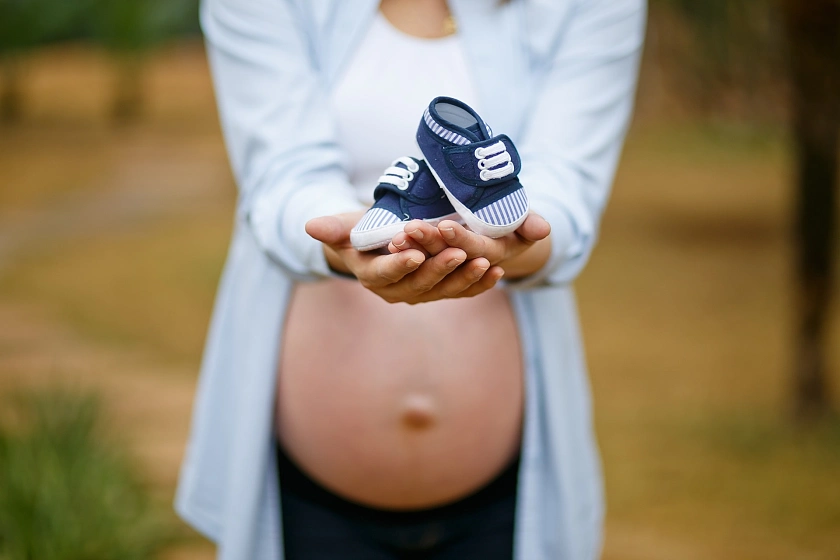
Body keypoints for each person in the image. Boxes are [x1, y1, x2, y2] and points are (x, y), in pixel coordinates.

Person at [175, 0, 646, 559]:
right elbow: (280, 175)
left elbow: (567, 188)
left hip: (506, 501)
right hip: (308, 493)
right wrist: (343, 244)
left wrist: (516, 245)